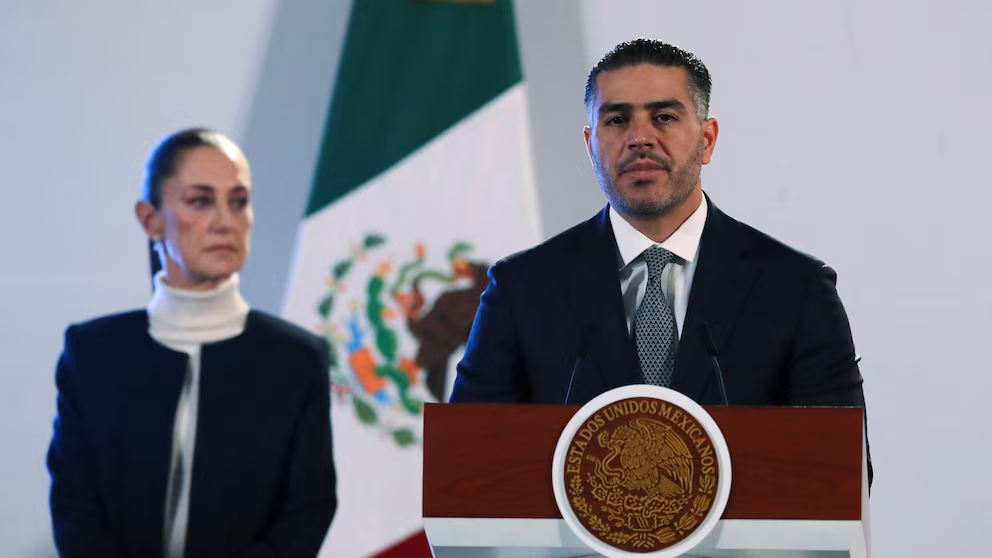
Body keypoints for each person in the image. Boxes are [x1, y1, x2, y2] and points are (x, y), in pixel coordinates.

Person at [449, 39, 870, 479]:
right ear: (591, 145)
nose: (640, 138)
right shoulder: (521, 289)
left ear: (707, 140)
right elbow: (468, 469)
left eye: (664, 117)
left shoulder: (796, 289)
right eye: (617, 120)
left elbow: (840, 475)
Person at [47, 128, 337, 557]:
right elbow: (75, 506)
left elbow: (307, 509)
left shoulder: (296, 360)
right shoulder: (93, 354)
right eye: (200, 201)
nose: (225, 221)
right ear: (150, 219)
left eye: (238, 201)